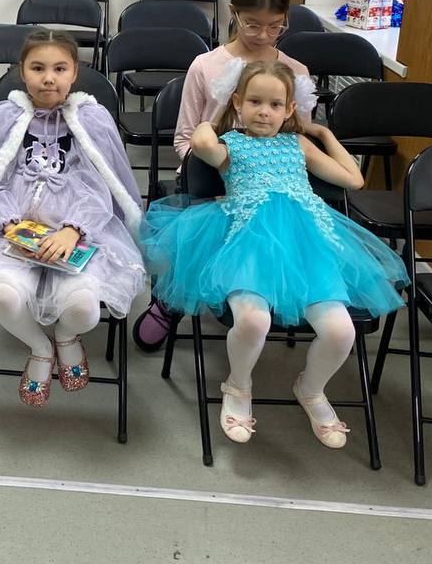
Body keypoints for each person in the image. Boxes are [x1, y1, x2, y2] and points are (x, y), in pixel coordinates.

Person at [141, 61, 406, 448]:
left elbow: (354, 178)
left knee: (341, 331)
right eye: (254, 102)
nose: (264, 112)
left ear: (289, 109)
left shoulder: (298, 144)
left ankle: (311, 389)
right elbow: (201, 143)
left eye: (275, 104)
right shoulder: (231, 144)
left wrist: (322, 132)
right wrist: (219, 113)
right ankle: (238, 385)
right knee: (253, 320)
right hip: (247, 244)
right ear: (239, 102)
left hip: (307, 246)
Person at [0, 29, 146, 406]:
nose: (48, 78)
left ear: (74, 72)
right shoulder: (4, 117)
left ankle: (66, 335)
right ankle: (40, 347)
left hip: (80, 231)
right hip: (8, 230)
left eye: (60, 68)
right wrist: (12, 225)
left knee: (84, 309)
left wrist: (73, 230)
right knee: (4, 297)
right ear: (21, 71)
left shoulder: (92, 119)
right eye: (38, 68)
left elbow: (103, 187)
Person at [133, 0, 316, 351]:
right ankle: (173, 299)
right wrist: (222, 172)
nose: (263, 35)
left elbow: (294, 141)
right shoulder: (206, 66)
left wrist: (258, 184)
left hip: (269, 187)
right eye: (252, 24)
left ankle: (260, 294)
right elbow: (184, 139)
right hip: (210, 177)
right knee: (203, 229)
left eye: (275, 26)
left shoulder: (296, 72)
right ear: (233, 13)